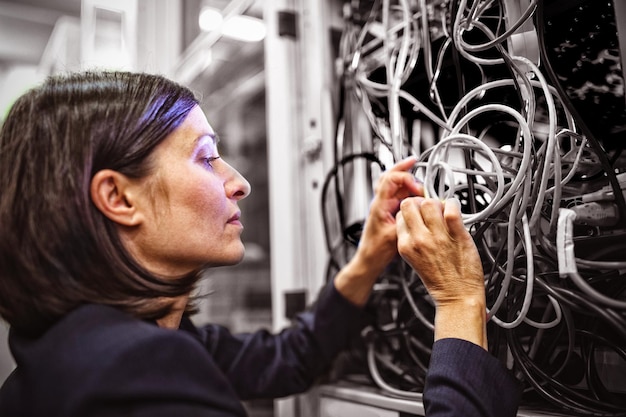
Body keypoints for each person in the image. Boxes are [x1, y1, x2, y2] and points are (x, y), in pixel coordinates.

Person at [0, 71, 519, 416]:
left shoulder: (95, 348)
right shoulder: (135, 378)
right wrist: (459, 300)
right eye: (206, 157)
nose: (240, 181)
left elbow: (289, 358)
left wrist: (369, 257)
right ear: (118, 196)